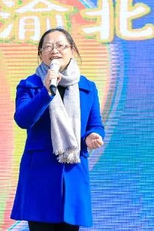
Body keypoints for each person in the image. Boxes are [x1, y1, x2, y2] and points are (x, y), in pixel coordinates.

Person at [11, 28, 105, 231]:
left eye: (60, 45)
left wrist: (93, 136)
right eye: (47, 46)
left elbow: (95, 124)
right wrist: (45, 91)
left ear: (72, 50)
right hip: (40, 174)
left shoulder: (87, 87)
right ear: (40, 54)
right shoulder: (30, 85)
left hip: (73, 171)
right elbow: (23, 119)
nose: (54, 50)